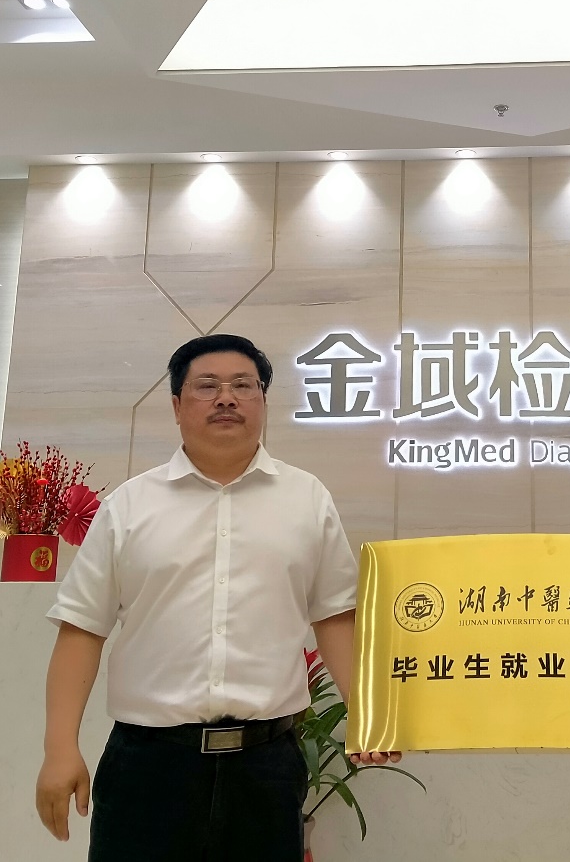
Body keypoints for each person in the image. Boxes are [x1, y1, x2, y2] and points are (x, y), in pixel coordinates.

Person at [35, 333, 393, 861]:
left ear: (263, 402)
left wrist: (368, 711)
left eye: (243, 386)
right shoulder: (129, 506)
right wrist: (59, 748)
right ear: (177, 406)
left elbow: (335, 616)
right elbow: (82, 629)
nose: (226, 398)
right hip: (148, 766)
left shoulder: (306, 499)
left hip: (266, 768)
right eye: (207, 386)